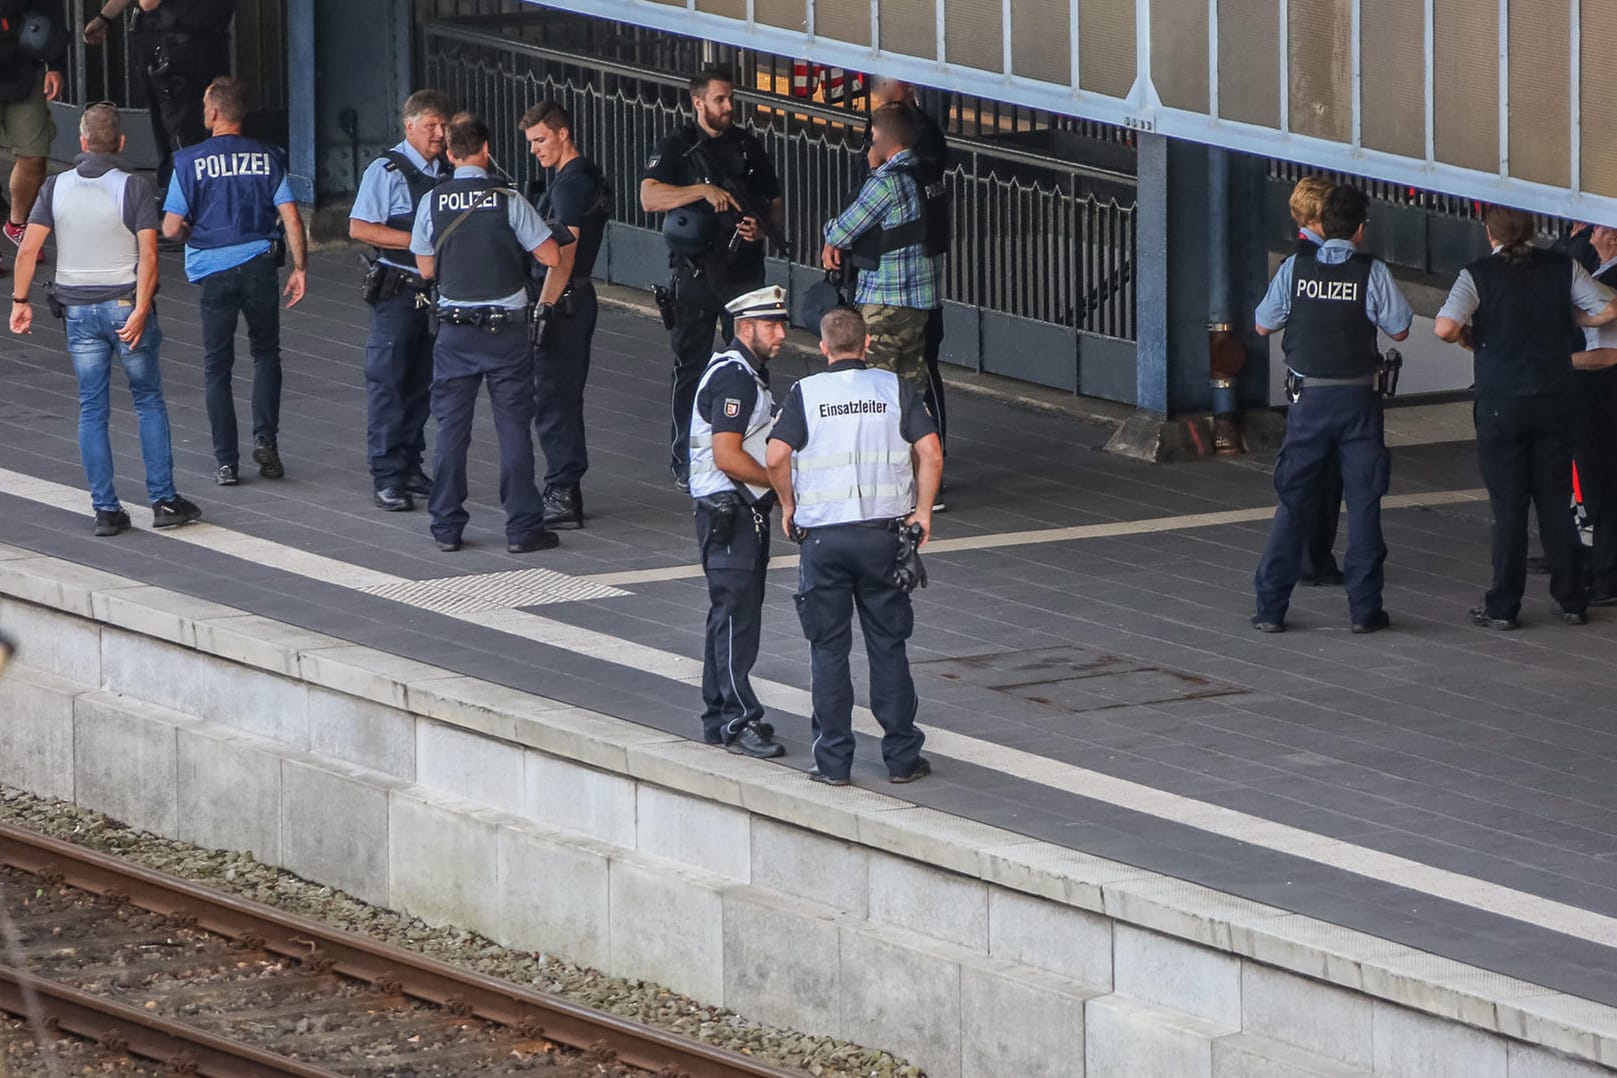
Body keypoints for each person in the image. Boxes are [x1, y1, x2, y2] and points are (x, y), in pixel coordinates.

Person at [766, 306, 942, 787]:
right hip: (883, 538)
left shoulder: (806, 392)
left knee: (828, 650)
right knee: (888, 647)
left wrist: (789, 506)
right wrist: (922, 512)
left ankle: (834, 764)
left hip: (824, 539)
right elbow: (931, 452)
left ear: (823, 348)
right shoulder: (894, 388)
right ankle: (902, 758)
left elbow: (776, 455)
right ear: (867, 344)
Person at [8, 102, 201, 535]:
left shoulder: (55, 188)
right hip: (124, 307)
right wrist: (141, 308)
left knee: (92, 409)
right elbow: (149, 256)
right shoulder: (131, 188)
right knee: (148, 402)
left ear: (81, 141)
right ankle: (164, 501)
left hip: (77, 314)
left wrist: (20, 301)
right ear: (121, 143)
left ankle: (106, 510)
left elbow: (26, 250)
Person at [1436, 205, 1617, 629]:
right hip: (1555, 397)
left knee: (1510, 507)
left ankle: (1503, 604)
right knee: (1555, 501)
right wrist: (1571, 316)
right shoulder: (1562, 266)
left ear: (1489, 233)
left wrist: (1469, 335)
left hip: (1502, 402)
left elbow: (1444, 327)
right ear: (1533, 230)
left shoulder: (1477, 273)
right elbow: (1609, 310)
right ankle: (1571, 598)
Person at [1250, 186, 1413, 634]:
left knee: (1293, 504)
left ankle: (1270, 609)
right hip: (1359, 402)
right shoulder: (1371, 270)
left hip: (1309, 403)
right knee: (1364, 507)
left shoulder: (1294, 267)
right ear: (1360, 230)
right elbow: (1399, 328)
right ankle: (1364, 611)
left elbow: (1263, 323)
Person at [411, 113, 565, 554]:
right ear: (485, 149)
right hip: (506, 332)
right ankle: (521, 529)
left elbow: (425, 268)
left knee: (450, 432)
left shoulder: (433, 201)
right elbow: (551, 255)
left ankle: (446, 527)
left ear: (451, 153)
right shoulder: (508, 199)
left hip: (455, 333)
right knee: (514, 430)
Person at [640, 67, 783, 491]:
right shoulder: (677, 147)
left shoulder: (748, 147)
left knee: (753, 364)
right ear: (698, 102)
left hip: (743, 273)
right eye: (720, 100)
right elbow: (649, 196)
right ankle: (685, 457)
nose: (727, 107)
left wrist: (761, 229)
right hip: (697, 273)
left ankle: (753, 452)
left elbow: (773, 201)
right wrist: (700, 192)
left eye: (730, 99)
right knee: (691, 366)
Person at [163, 76, 306, 487]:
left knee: (217, 367)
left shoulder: (189, 160)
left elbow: (171, 227)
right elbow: (292, 217)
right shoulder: (268, 156)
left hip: (213, 271)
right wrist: (300, 268)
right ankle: (267, 442)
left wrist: (193, 235)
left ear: (212, 113)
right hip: (260, 264)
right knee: (265, 354)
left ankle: (226, 462)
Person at [689, 285, 790, 759]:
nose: (782, 334)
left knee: (729, 617)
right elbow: (727, 456)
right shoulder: (737, 379)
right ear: (745, 328)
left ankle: (719, 718)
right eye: (772, 325)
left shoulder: (741, 372)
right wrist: (780, 484)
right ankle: (737, 720)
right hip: (730, 511)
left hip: (730, 511)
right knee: (736, 619)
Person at [349, 89, 452, 512]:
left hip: (435, 296)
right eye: (431, 125)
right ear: (409, 125)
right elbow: (359, 227)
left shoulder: (449, 169)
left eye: (443, 126)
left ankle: (410, 466)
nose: (440, 133)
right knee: (389, 384)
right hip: (397, 289)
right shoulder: (386, 170)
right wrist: (417, 242)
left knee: (421, 384)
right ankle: (387, 476)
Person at [522, 100, 610, 529]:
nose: (535, 149)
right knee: (559, 395)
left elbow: (565, 254)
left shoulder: (570, 185)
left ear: (562, 133)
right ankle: (562, 486)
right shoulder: (580, 176)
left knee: (554, 397)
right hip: (575, 298)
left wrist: (545, 307)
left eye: (540, 139)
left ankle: (561, 491)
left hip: (565, 300)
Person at [822, 103, 945, 397]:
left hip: (884, 302)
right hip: (921, 303)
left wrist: (829, 236)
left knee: (875, 391)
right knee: (910, 393)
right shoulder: (926, 174)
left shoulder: (885, 184)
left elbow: (841, 230)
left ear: (880, 137)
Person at [868, 77, 950, 486]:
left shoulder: (898, 170)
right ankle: (925, 471)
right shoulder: (921, 159)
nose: (875, 85)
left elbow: (851, 224)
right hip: (921, 289)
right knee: (913, 384)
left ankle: (903, 472)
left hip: (894, 291)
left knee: (888, 386)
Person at [83, 0, 235, 201]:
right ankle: (184, 202)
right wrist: (105, 17)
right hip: (182, 48)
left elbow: (147, 3)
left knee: (183, 136)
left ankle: (182, 208)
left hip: (183, 53)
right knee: (179, 133)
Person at [1286, 176, 1345, 588]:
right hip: (1332, 382)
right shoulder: (1325, 261)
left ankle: (1309, 554)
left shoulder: (1295, 261)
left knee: (1309, 468)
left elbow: (1266, 318)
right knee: (1326, 476)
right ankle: (1314, 556)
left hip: (1302, 380)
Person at [1, 0, 66, 271]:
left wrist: (55, 63)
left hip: (22, 72)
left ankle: (17, 224)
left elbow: (51, 10)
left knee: (34, 156)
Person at [1572, 226, 1617, 605]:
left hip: (1603, 399)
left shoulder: (1610, 283)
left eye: (1597, 230)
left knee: (1602, 487)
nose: (1590, 238)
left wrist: (1555, 362)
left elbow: (1608, 354)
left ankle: (1608, 575)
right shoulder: (1601, 277)